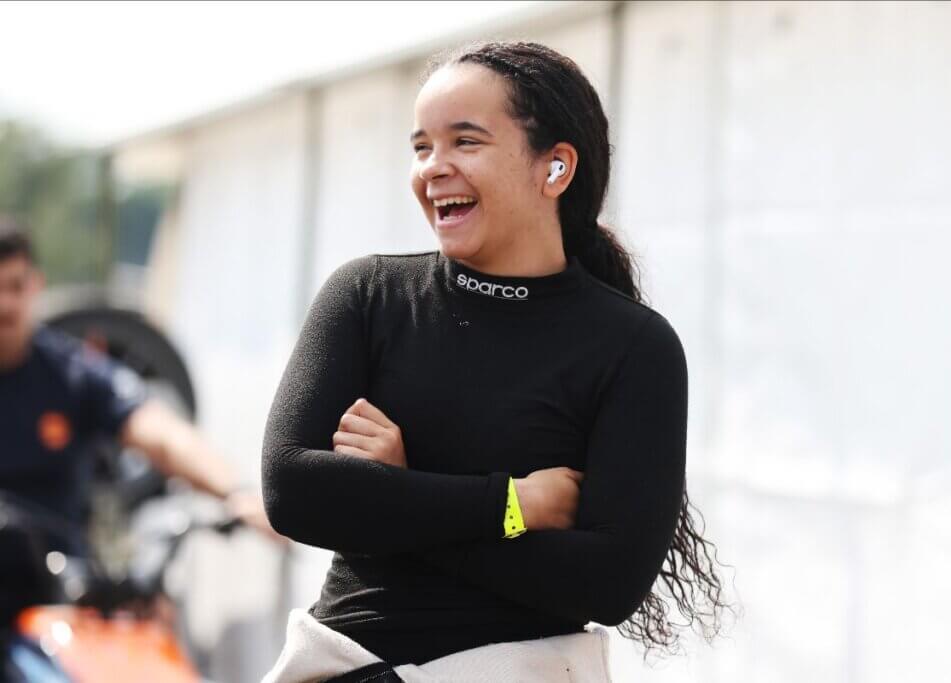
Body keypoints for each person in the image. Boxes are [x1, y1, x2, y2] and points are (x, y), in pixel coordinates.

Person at [261, 41, 725, 682]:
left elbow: (609, 584)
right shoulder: (368, 295)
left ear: (555, 168)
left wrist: (399, 493)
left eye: (465, 142)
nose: (433, 167)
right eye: (421, 147)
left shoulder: (634, 347)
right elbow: (293, 491)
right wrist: (512, 504)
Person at [0, 217, 278, 625]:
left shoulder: (71, 373)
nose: (4, 305)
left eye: (14, 287)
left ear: (35, 285)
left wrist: (237, 492)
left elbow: (160, 433)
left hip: (57, 595)